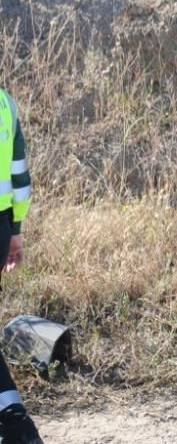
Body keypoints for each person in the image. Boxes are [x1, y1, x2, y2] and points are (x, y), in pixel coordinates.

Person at [0, 89, 44, 444]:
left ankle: (15, 425)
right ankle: (15, 422)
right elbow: (19, 175)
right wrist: (14, 231)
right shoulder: (4, 101)